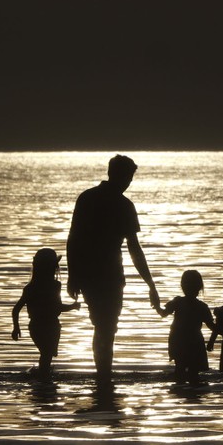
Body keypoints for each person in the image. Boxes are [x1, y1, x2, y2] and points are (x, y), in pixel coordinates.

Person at [66, 154, 160, 381]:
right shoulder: (123, 205)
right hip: (107, 276)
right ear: (117, 175)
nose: (129, 183)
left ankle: (103, 376)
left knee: (103, 325)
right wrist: (151, 285)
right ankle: (104, 376)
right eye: (128, 177)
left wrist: (73, 275)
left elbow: (73, 239)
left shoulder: (87, 198)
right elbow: (134, 249)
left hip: (92, 274)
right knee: (106, 326)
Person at [12, 248, 80, 378]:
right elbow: (57, 308)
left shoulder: (30, 288)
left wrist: (16, 327)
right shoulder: (55, 286)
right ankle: (43, 379)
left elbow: (16, 309)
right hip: (50, 326)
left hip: (36, 326)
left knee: (46, 354)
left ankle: (42, 378)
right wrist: (72, 306)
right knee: (47, 354)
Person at [156, 270, 216, 385]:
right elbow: (212, 326)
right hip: (194, 341)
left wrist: (157, 305)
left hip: (178, 340)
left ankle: (180, 389)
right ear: (199, 287)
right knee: (194, 373)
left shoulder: (177, 302)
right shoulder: (202, 307)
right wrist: (212, 341)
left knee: (180, 369)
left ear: (182, 285)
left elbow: (163, 313)